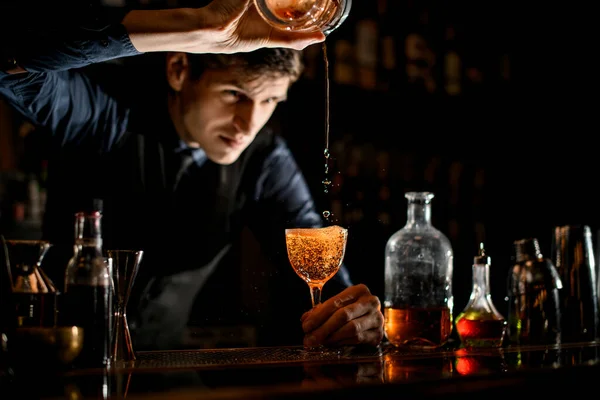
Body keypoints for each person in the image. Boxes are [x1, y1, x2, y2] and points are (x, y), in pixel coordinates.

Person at [0, 1, 384, 351]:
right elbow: (9, 62)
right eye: (235, 94)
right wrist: (197, 26)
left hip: (162, 368)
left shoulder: (265, 159)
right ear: (180, 69)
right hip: (50, 356)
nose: (248, 125)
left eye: (269, 101)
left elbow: (317, 261)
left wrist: (353, 314)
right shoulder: (106, 110)